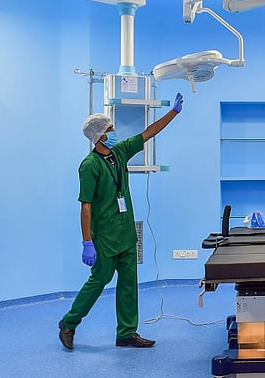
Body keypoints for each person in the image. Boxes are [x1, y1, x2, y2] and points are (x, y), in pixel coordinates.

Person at [58, 92, 184, 350]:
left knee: (128, 284)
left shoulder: (120, 152)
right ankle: (69, 323)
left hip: (126, 234)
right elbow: (85, 206)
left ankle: (126, 332)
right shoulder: (89, 165)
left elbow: (148, 133)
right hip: (104, 237)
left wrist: (173, 112)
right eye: (110, 129)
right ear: (99, 135)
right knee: (99, 281)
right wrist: (87, 242)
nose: (114, 131)